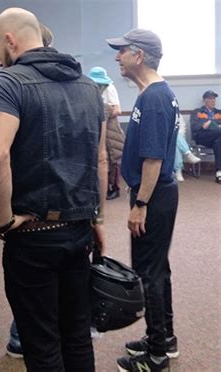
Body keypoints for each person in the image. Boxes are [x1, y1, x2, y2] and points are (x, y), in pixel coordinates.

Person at [0, 8, 107, 371]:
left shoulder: (9, 82)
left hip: (33, 237)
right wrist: (97, 215)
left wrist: (3, 220)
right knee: (77, 336)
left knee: (41, 342)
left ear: (10, 40)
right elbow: (101, 161)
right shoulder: (87, 85)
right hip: (79, 230)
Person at [106, 28, 180, 372]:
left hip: (153, 195)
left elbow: (153, 160)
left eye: (122, 51)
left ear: (139, 55)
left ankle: (156, 357)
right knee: (157, 268)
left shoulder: (154, 97)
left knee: (148, 272)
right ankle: (164, 339)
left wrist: (140, 205)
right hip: (158, 194)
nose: (117, 57)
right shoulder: (154, 93)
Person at [89, 66, 125, 200]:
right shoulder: (91, 88)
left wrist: (104, 111)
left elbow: (118, 110)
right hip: (96, 125)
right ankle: (101, 188)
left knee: (112, 157)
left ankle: (114, 188)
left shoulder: (110, 88)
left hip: (110, 127)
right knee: (99, 157)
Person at [190, 90, 221, 183]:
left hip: (216, 137)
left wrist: (211, 124)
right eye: (210, 99)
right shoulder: (197, 112)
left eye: (214, 99)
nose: (213, 101)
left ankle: (219, 172)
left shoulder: (219, 112)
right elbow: (195, 127)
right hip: (202, 137)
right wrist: (204, 125)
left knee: (219, 142)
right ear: (204, 100)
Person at [173, 115, 200, 182]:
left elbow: (183, 128)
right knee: (175, 138)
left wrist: (177, 136)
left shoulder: (178, 115)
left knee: (176, 144)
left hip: (179, 139)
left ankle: (178, 170)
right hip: (164, 139)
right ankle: (188, 154)